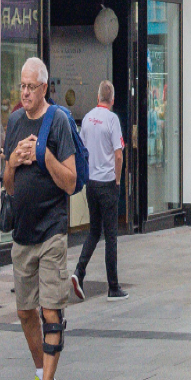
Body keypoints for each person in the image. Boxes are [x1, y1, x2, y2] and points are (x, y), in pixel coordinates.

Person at [2, 58, 79, 380]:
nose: (25, 93)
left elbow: (69, 182)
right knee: (24, 312)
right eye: (21, 86)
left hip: (52, 231)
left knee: (51, 312)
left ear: (45, 88)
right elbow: (7, 185)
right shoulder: (15, 122)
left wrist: (44, 154)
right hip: (22, 233)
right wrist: (13, 163)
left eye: (31, 87)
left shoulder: (59, 122)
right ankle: (40, 371)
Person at [72, 80, 126, 302]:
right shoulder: (112, 120)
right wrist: (117, 180)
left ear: (97, 98)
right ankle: (113, 286)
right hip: (107, 182)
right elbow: (119, 154)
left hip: (91, 183)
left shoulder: (86, 119)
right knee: (110, 235)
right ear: (112, 99)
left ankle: (79, 271)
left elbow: (81, 151)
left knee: (94, 231)